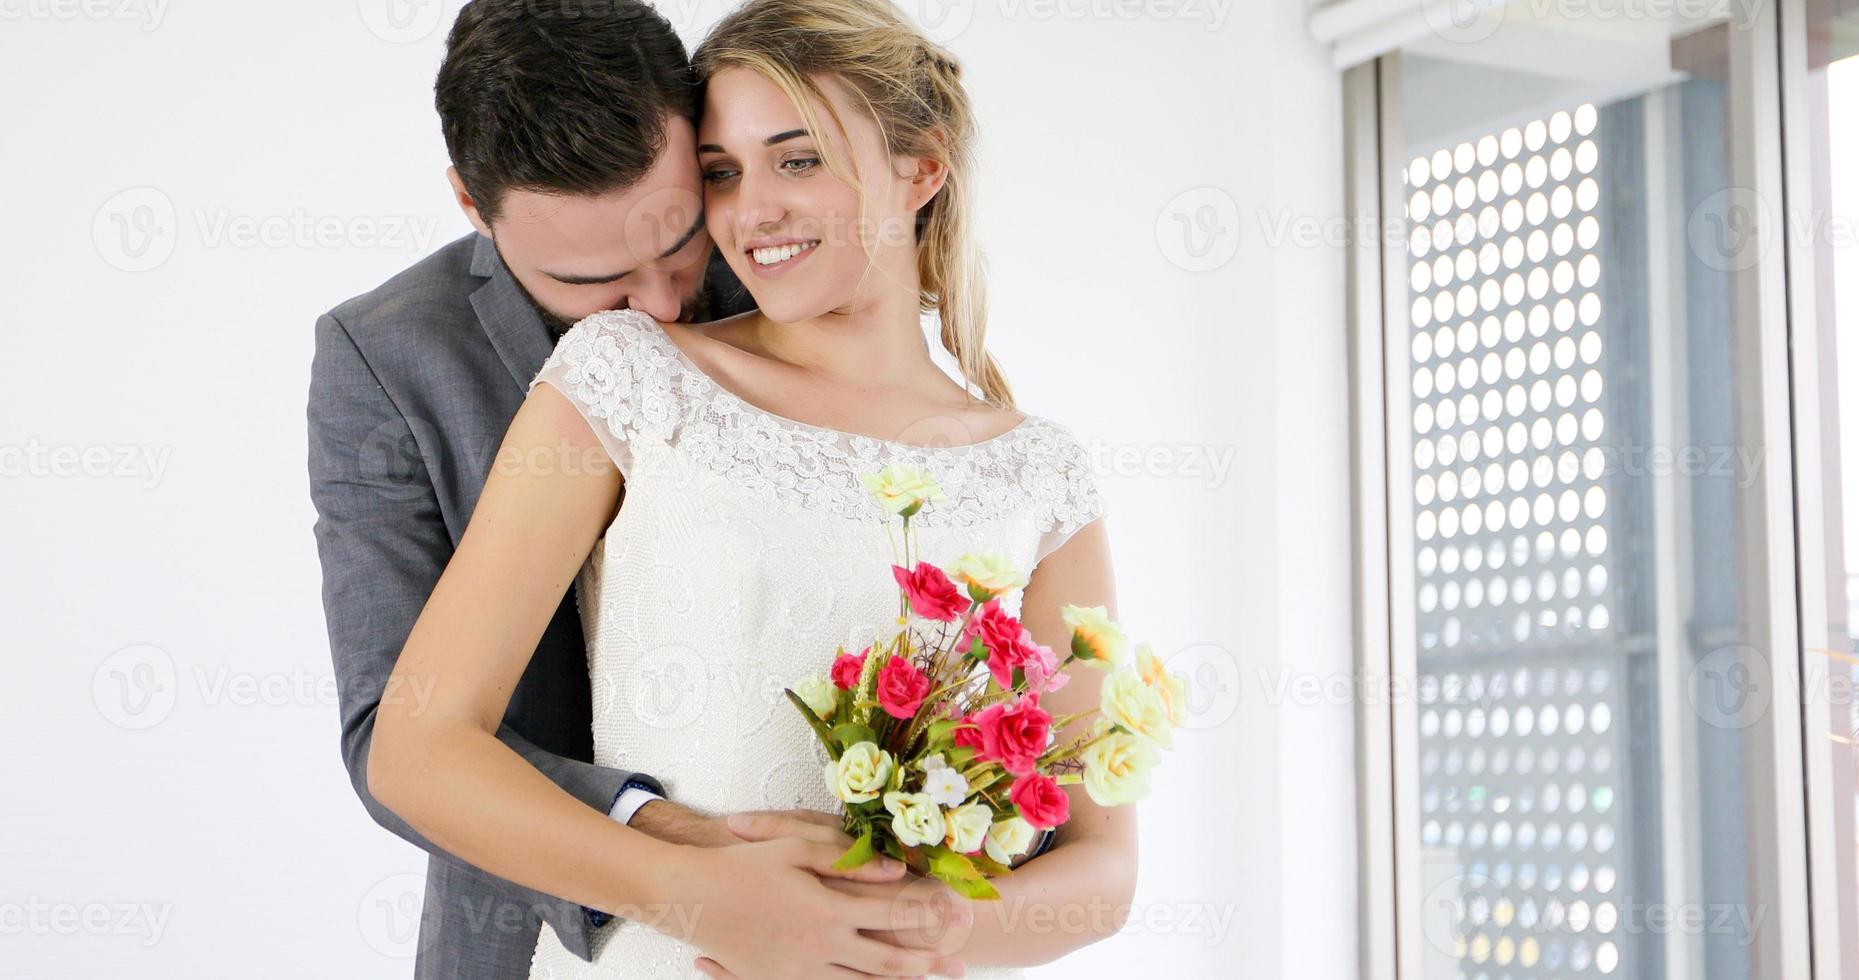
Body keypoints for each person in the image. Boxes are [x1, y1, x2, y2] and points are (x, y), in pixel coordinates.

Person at [364, 0, 1139, 976]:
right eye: (722, 173)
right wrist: (706, 897)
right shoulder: (627, 377)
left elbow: (1102, 864)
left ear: (921, 168)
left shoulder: (1041, 469)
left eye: (798, 157)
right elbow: (418, 748)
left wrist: (904, 935)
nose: (752, 208)